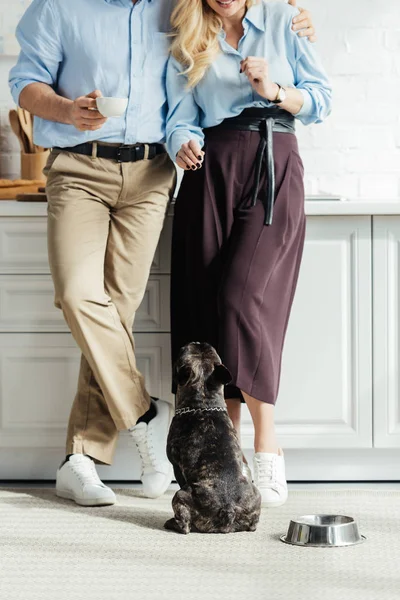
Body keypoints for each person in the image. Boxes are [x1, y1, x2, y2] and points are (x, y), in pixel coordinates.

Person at [8, 0, 317, 507]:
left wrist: (293, 21)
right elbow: (23, 82)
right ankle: (141, 412)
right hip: (80, 168)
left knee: (118, 313)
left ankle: (81, 458)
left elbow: (213, 63)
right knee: (79, 295)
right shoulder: (59, 6)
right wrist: (66, 109)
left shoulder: (179, 8)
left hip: (153, 175)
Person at [166, 0, 332, 507]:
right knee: (208, 309)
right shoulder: (188, 31)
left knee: (242, 299)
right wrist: (182, 141)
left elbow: (322, 100)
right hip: (210, 169)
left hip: (273, 161)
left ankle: (267, 444)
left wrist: (275, 90)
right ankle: (225, 454)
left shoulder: (286, 22)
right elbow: (180, 113)